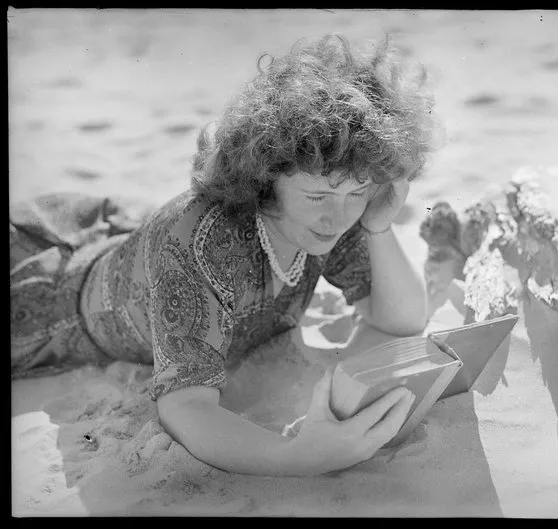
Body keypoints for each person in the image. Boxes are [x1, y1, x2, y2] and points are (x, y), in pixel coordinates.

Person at [10, 33, 437, 476]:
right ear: (266, 179)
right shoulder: (198, 240)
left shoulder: (336, 201)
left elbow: (400, 319)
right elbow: (185, 407)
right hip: (52, 309)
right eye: (317, 197)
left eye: (359, 192)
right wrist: (297, 457)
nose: (337, 217)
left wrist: (379, 226)